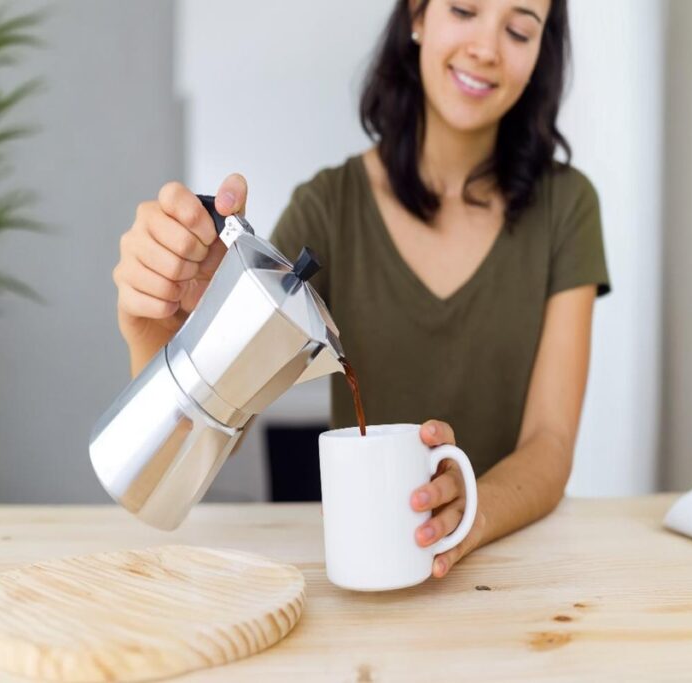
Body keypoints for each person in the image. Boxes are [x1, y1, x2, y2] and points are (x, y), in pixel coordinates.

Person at [112, 0, 609, 580]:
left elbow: (550, 443)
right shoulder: (328, 208)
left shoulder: (567, 207)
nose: (487, 47)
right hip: (366, 573)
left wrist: (469, 514)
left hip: (513, 573)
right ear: (418, 16)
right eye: (465, 9)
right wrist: (160, 335)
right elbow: (193, 453)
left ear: (540, 55)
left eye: (520, 30)